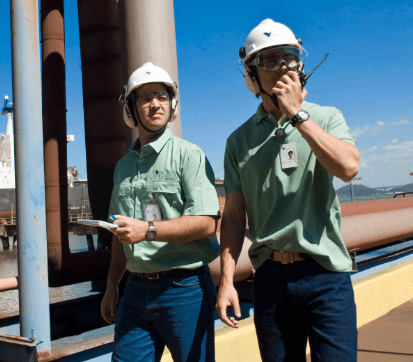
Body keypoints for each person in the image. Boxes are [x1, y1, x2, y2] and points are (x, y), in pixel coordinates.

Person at [216, 19, 360, 361]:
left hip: (326, 276)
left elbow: (349, 168)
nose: (282, 66)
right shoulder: (239, 141)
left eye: (290, 57)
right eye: (269, 60)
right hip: (270, 279)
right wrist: (226, 282)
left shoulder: (325, 117)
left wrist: (298, 114)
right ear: (252, 76)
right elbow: (234, 216)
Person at [101, 62, 220, 362]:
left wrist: (148, 231)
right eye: (145, 97)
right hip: (135, 289)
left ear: (172, 104)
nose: (156, 103)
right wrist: (112, 285)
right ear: (131, 108)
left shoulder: (189, 155)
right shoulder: (123, 167)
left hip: (185, 288)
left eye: (162, 96)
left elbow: (207, 223)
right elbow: (119, 234)